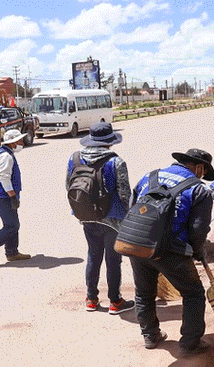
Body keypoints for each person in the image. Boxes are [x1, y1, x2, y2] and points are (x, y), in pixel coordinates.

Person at [129, 148, 214, 355]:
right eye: (203, 173)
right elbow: (198, 229)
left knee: (143, 292)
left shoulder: (148, 177)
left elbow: (132, 209)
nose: (202, 176)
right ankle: (190, 343)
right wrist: (196, 251)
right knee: (193, 293)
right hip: (170, 251)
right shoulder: (199, 190)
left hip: (137, 244)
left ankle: (150, 336)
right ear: (199, 168)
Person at [65, 122, 135, 314]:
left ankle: (91, 299)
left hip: (87, 216)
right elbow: (124, 194)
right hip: (111, 219)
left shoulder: (75, 158)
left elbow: (68, 186)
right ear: (109, 142)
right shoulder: (116, 162)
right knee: (113, 260)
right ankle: (115, 302)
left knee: (93, 256)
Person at [0, 129, 31, 263]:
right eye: (19, 141)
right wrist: (12, 196)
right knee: (12, 225)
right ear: (13, 143)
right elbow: (4, 177)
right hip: (2, 196)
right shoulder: (5, 156)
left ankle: (12, 252)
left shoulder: (4, 153)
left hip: (3, 195)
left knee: (11, 224)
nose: (22, 143)